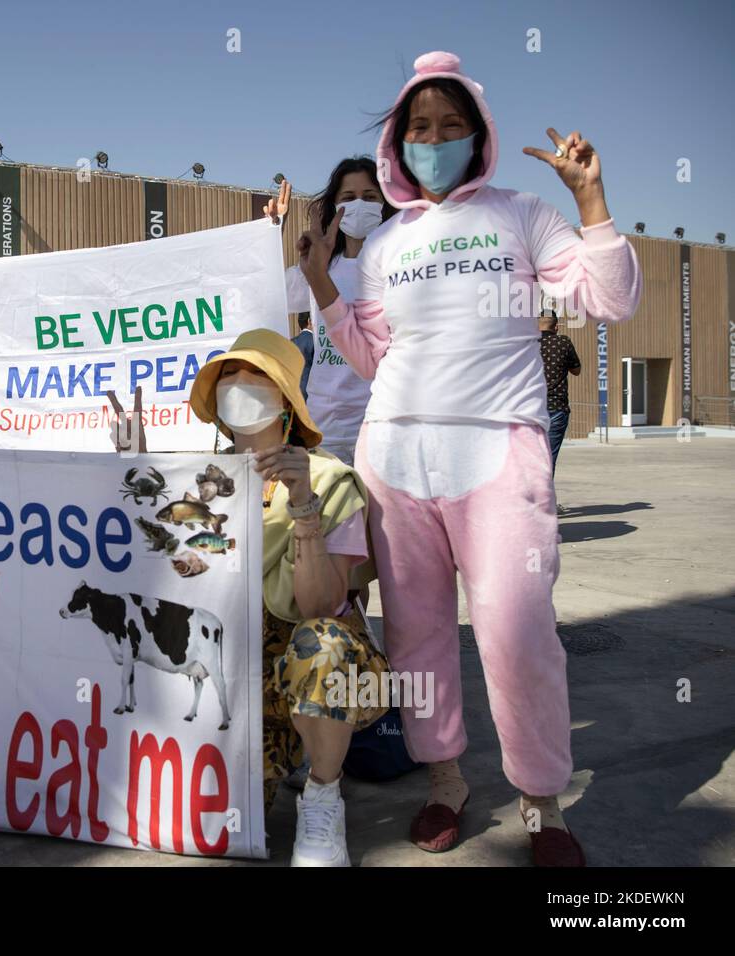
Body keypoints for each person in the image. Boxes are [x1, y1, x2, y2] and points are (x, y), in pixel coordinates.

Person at [291, 51, 641, 866]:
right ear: (397, 143)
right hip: (398, 457)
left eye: (452, 126)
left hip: (499, 453)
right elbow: (373, 357)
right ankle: (445, 783)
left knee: (518, 636)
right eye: (420, 128)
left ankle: (541, 804)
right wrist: (326, 288)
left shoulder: (522, 214)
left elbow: (611, 298)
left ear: (478, 136)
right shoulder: (383, 247)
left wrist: (589, 199)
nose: (435, 140)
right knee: (415, 638)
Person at [112, 329, 386, 867]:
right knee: (214, 826)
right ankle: (276, 761)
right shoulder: (195, 487)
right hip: (233, 681)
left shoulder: (331, 481)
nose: (240, 387)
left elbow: (316, 607)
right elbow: (163, 573)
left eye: (256, 377)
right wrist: (133, 469)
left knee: (322, 644)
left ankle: (323, 795)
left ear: (287, 398)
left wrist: (303, 504)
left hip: (308, 664)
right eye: (229, 378)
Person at [280, 162, 393, 465]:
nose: (358, 205)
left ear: (386, 203)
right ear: (334, 206)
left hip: (380, 421)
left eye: (370, 196)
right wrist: (273, 231)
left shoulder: (397, 266)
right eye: (348, 197)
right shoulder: (322, 268)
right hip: (324, 424)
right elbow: (271, 294)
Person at [539, 309, 581, 477]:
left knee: (527, 459)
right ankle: (546, 502)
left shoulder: (527, 343)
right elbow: (576, 370)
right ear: (556, 327)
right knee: (549, 458)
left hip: (530, 409)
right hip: (556, 408)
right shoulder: (563, 343)